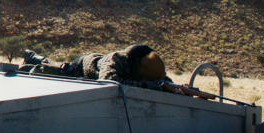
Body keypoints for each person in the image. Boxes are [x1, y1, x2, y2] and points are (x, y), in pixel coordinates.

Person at [24, 44, 171, 88]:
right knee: (59, 69)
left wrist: (174, 88)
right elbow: (109, 81)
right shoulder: (116, 59)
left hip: (95, 64)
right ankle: (33, 58)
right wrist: (150, 86)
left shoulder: (147, 66)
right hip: (82, 68)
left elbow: (162, 80)